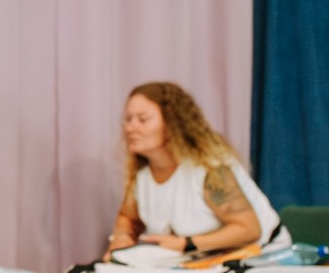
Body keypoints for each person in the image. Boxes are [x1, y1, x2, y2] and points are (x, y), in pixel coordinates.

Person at [104, 81, 286, 260]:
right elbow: (127, 217)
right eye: (128, 119)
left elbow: (249, 229)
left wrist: (187, 244)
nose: (130, 128)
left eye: (143, 120)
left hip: (265, 256)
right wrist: (122, 237)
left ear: (172, 123)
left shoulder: (210, 168)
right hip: (203, 260)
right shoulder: (142, 176)